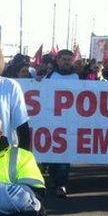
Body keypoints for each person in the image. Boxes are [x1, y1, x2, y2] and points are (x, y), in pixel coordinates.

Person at [45, 49, 80, 198]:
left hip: (70, 122)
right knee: (54, 154)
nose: (66, 62)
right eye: (64, 59)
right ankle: (54, 176)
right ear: (58, 60)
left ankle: (61, 184)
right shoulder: (50, 76)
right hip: (52, 121)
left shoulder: (79, 77)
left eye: (69, 60)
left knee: (65, 155)